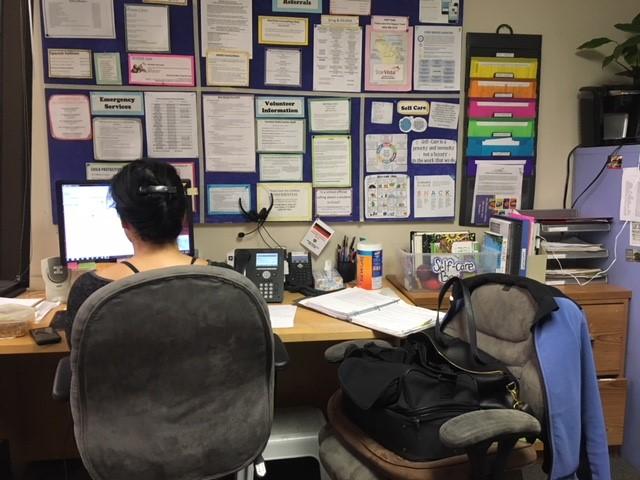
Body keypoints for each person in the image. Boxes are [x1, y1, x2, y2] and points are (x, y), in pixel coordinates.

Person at [64, 159, 227, 343]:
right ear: (183, 216)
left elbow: (79, 360)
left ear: (124, 222)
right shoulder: (227, 282)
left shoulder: (89, 292)